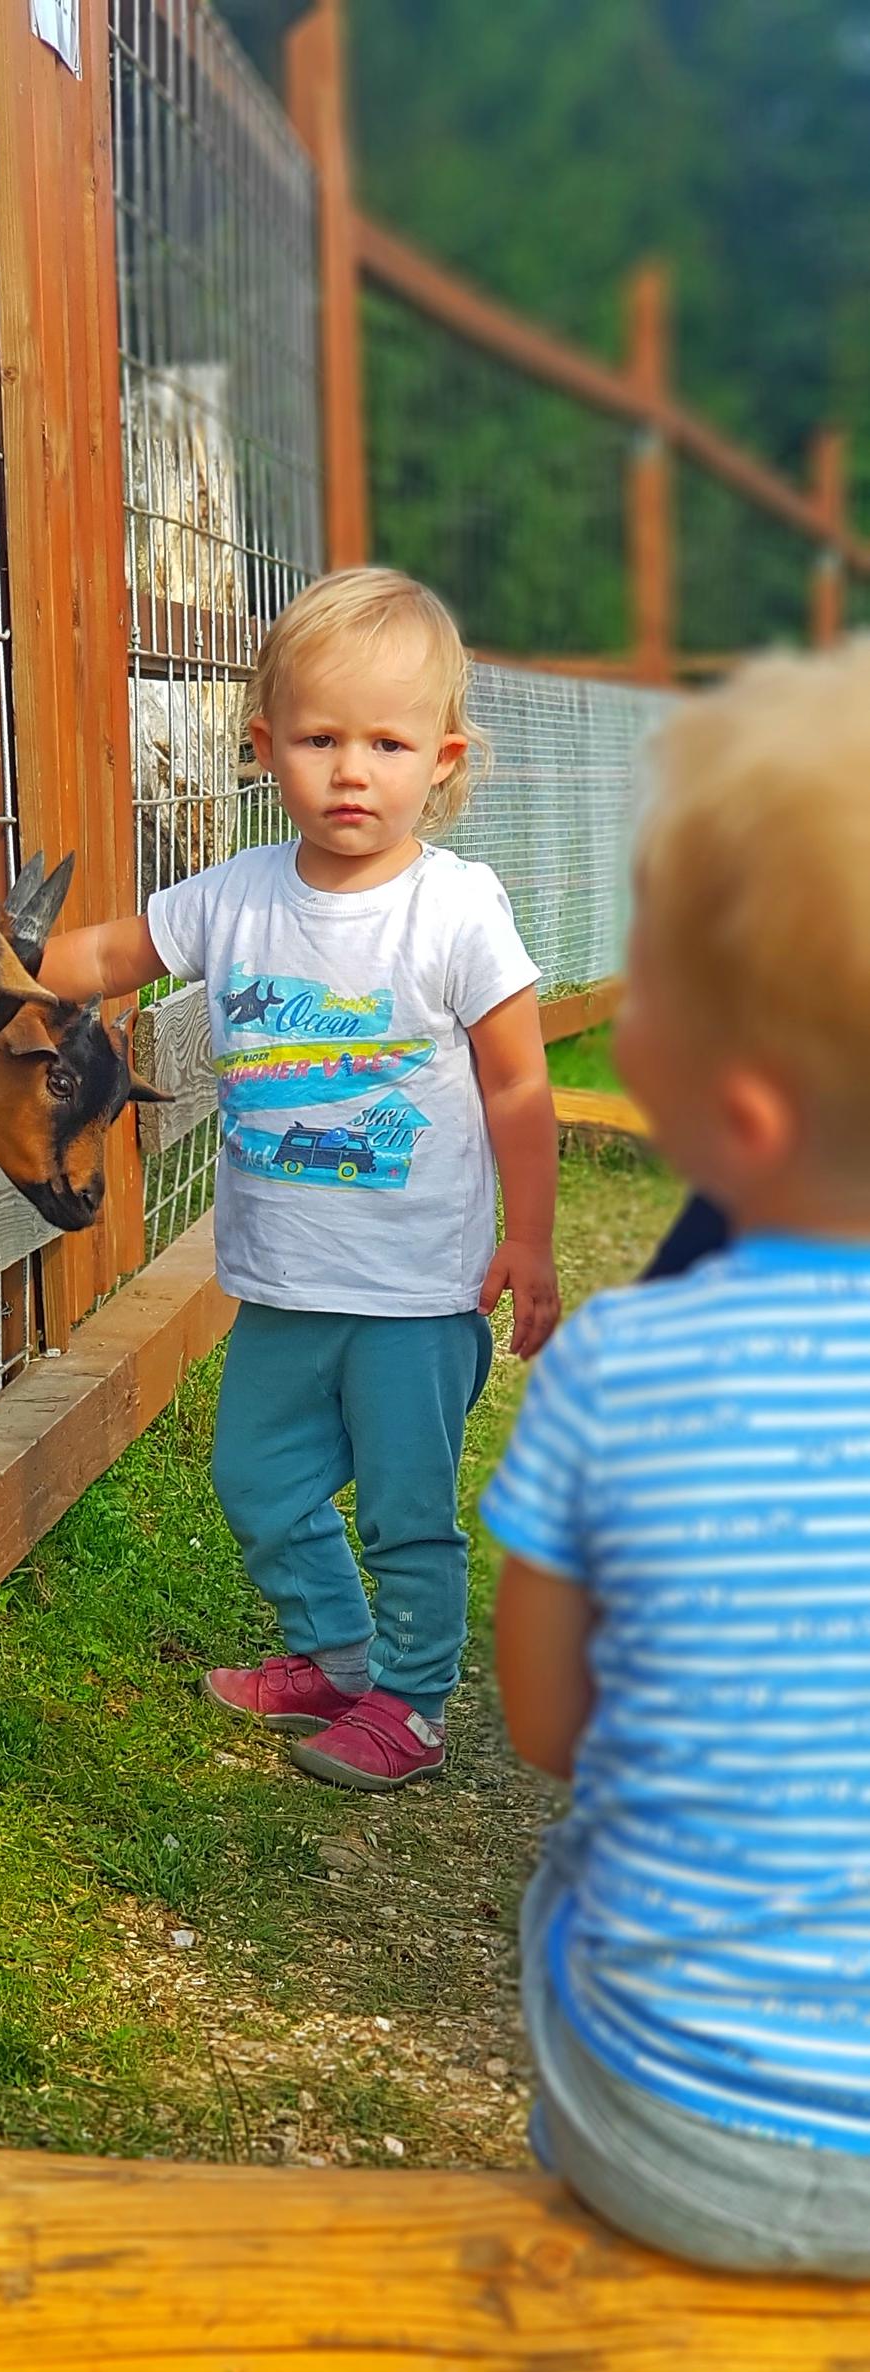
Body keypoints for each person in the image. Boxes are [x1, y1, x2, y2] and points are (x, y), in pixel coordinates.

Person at [43, 566, 559, 1790]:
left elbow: (517, 1088)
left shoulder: (455, 910)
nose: (351, 771)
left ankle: (412, 1704)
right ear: (265, 744)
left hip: (416, 1293)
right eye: (321, 740)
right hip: (283, 1281)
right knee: (258, 1480)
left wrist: (529, 1238)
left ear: (442, 758)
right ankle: (336, 1657)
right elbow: (107, 953)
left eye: (387, 743)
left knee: (406, 1509)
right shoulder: (235, 896)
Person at [483, 641, 870, 2273]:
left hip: (675, 2149)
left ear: (742, 1120)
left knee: (577, 1869)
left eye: (640, 997)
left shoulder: (615, 1369)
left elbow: (546, 1728)